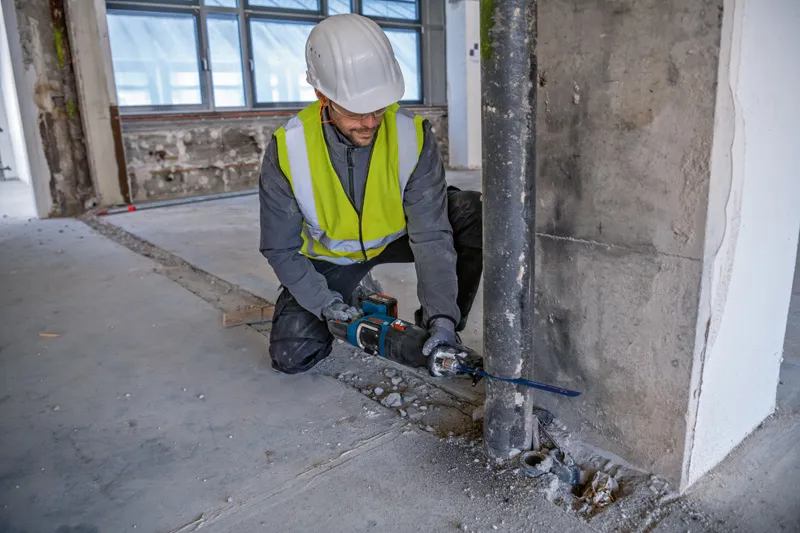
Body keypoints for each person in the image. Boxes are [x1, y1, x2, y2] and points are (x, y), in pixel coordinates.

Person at [259, 13, 482, 374]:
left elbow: (431, 235)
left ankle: (438, 329)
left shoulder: (412, 136)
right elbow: (279, 248)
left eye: (378, 106)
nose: (370, 121)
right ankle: (354, 286)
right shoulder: (289, 149)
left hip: (396, 239)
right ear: (321, 94)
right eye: (357, 110)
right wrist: (324, 303)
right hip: (331, 257)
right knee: (292, 356)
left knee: (474, 214)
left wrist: (442, 317)